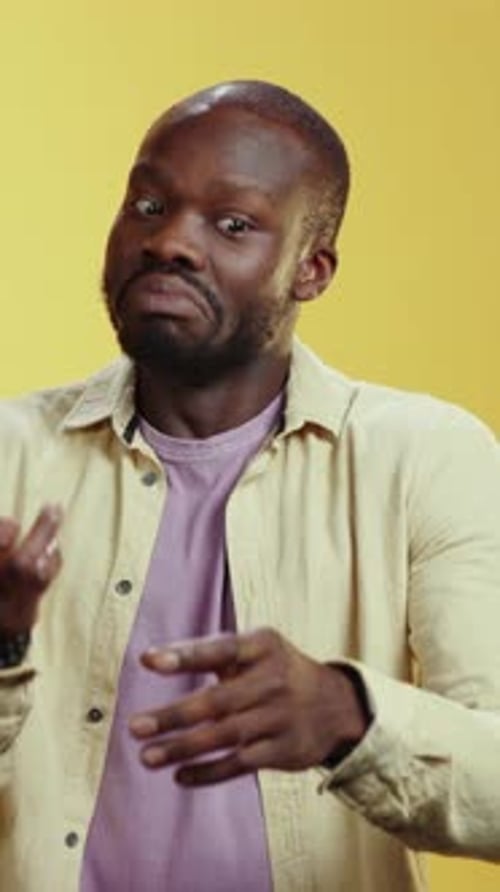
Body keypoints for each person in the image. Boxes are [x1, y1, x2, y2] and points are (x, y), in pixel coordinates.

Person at [0, 80, 499, 892]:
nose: (170, 243)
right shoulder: (10, 458)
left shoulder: (427, 458)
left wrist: (350, 718)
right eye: (149, 205)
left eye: (232, 224)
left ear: (312, 269)